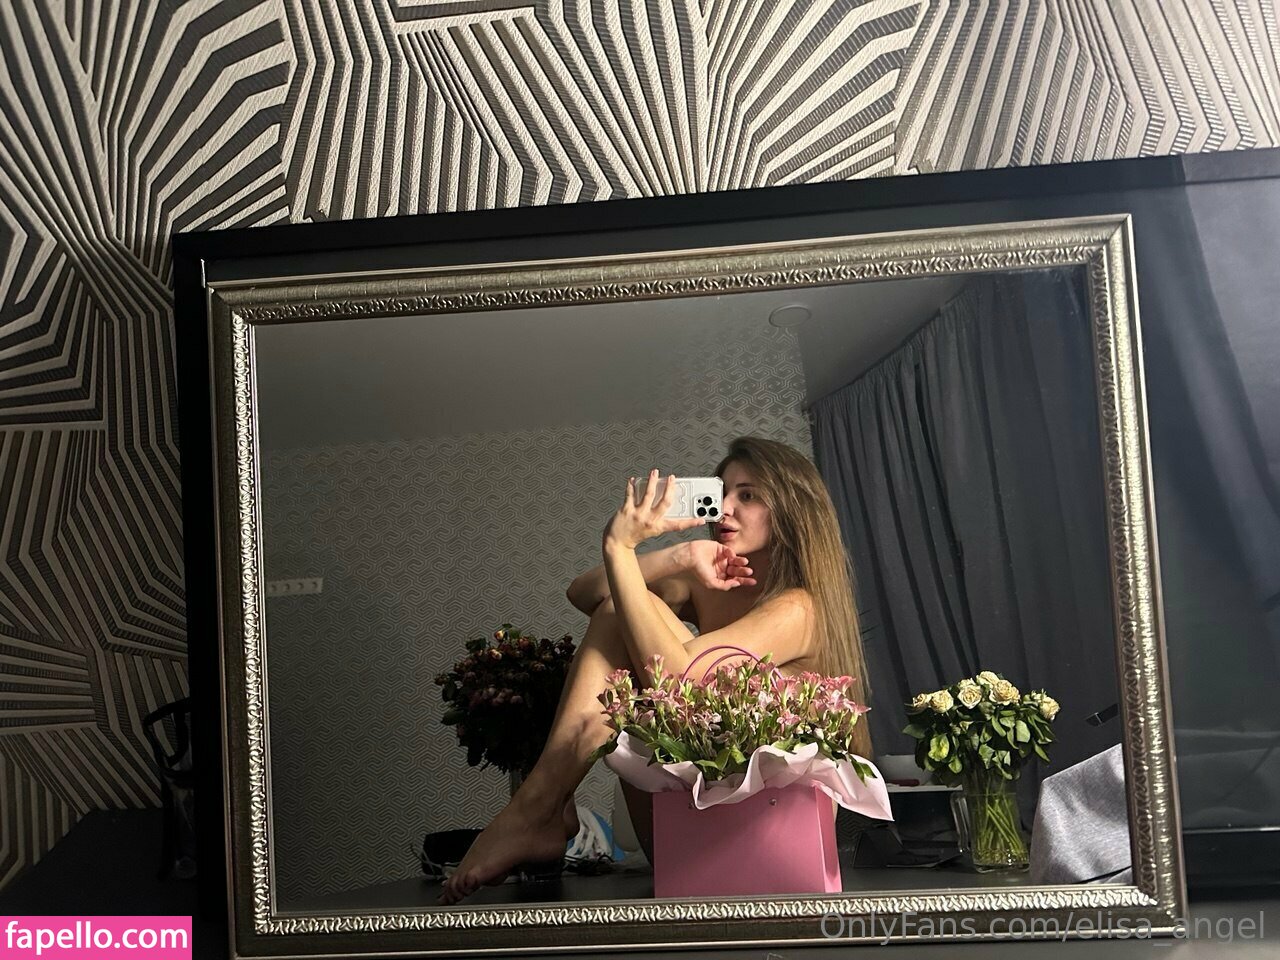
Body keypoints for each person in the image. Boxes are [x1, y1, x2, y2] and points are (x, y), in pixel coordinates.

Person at [439, 437, 873, 904]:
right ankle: (542, 806)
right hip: (684, 817)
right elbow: (584, 592)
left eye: (747, 495)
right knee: (620, 607)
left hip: (762, 829)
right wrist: (679, 556)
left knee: (625, 609)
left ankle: (538, 806)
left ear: (791, 509)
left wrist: (620, 546)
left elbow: (683, 682)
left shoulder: (801, 608)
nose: (724, 508)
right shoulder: (713, 579)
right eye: (722, 492)